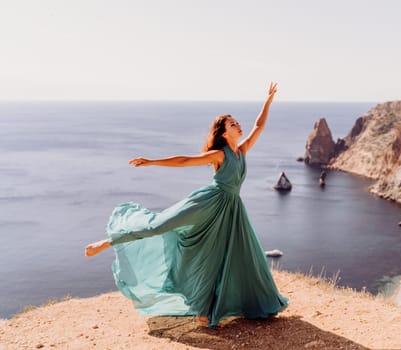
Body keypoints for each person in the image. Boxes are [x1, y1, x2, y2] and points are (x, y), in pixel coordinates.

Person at [85, 82, 288, 328]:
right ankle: (109, 240)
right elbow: (184, 161)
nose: (238, 125)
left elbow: (259, 126)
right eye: (232, 124)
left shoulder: (242, 151)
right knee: (161, 224)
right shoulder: (220, 154)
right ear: (224, 133)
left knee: (222, 257)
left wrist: (268, 101)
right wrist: (152, 162)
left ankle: (205, 311)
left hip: (232, 211)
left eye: (236, 122)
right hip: (209, 202)